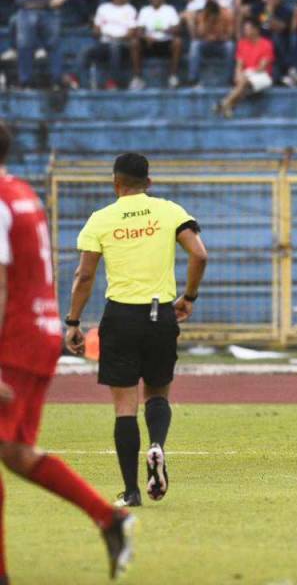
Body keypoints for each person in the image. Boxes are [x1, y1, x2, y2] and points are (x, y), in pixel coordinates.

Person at [0, 124, 136, 581]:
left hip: (13, 339)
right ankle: (109, 517)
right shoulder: (22, 192)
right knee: (16, 452)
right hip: (39, 333)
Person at [65, 152, 208, 508]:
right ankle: (156, 444)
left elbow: (85, 276)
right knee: (158, 393)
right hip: (161, 315)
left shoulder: (101, 219)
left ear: (116, 183)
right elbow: (200, 254)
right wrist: (189, 296)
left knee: (124, 407)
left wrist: (73, 321)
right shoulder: (170, 211)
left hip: (121, 317)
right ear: (149, 183)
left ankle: (130, 491)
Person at [77, 0, 141, 91]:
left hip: (123, 44)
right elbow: (96, 30)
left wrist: (116, 37)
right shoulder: (103, 8)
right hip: (104, 43)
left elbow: (132, 32)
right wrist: (103, 33)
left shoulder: (130, 10)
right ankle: (78, 80)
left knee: (114, 46)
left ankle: (112, 81)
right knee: (85, 50)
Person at [217, 18, 275, 117]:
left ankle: (225, 103)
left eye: (248, 29)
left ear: (256, 30)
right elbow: (239, 64)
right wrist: (237, 74)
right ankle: (228, 107)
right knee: (243, 82)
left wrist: (245, 75)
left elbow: (262, 67)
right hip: (246, 74)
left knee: (244, 81)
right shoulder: (242, 43)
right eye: (244, 29)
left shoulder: (266, 44)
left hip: (262, 75)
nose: (245, 31)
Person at [134, 0, 183, 89]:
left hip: (165, 42)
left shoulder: (170, 10)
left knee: (178, 42)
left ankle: (173, 77)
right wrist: (145, 37)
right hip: (149, 43)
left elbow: (177, 29)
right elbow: (138, 31)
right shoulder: (144, 10)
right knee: (135, 43)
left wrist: (166, 30)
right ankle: (137, 78)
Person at [187, 0, 236, 86]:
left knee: (230, 46)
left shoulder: (225, 15)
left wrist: (219, 37)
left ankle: (230, 78)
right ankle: (193, 78)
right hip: (206, 44)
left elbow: (230, 36)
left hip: (220, 44)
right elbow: (199, 35)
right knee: (195, 45)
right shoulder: (202, 16)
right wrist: (208, 24)